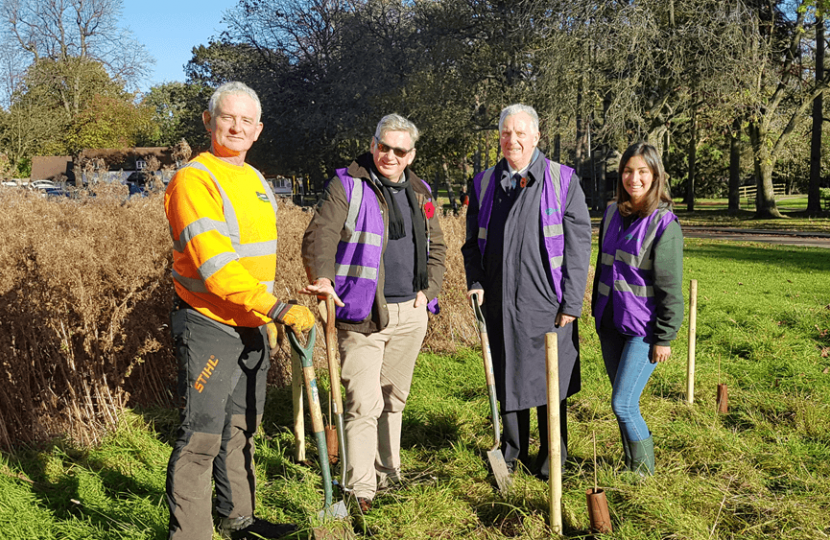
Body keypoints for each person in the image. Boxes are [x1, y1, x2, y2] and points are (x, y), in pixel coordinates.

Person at [164, 81, 315, 540]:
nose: (236, 126)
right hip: (208, 322)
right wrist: (277, 307)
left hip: (253, 324)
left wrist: (266, 316)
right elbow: (217, 267)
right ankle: (192, 534)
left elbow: (257, 261)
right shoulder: (195, 178)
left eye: (246, 121)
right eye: (227, 117)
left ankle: (239, 520)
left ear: (258, 130)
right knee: (202, 436)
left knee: (240, 429)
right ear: (209, 121)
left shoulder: (254, 180)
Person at [300, 114, 446, 513]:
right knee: (363, 402)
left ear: (411, 154)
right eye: (384, 146)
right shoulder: (348, 185)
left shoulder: (421, 191)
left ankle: (388, 472)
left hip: (411, 312)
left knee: (393, 400)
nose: (390, 155)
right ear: (373, 143)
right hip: (361, 312)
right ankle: (360, 489)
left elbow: (437, 247)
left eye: (400, 150)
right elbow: (319, 236)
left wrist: (428, 293)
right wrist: (324, 279)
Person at [462, 104, 592, 479]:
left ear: (537, 137)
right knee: (509, 377)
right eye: (505, 133)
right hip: (501, 301)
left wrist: (571, 302)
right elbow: (472, 244)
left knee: (551, 380)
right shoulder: (485, 183)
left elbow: (579, 247)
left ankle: (553, 456)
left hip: (549, 302)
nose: (512, 140)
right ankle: (511, 453)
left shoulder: (563, 181)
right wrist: (476, 281)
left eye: (521, 133)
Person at [591, 142, 684, 476]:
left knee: (623, 403)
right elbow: (604, 268)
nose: (634, 178)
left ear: (655, 175)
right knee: (622, 402)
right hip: (610, 322)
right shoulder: (613, 212)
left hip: (644, 331)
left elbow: (671, 288)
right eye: (628, 171)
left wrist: (665, 337)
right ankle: (630, 464)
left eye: (643, 171)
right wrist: (596, 313)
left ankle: (643, 474)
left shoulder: (664, 224)